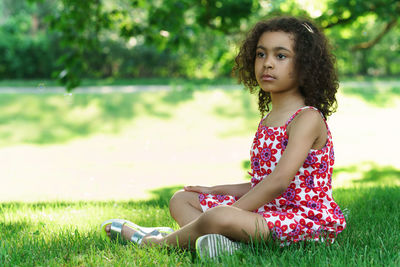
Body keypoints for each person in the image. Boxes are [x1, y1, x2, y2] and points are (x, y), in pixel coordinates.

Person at [101, 16, 346, 258]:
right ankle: (224, 244)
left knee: (219, 215)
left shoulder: (307, 118)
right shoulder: (270, 119)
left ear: (305, 64)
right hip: (267, 212)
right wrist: (214, 190)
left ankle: (156, 242)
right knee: (182, 199)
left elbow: (279, 182)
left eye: (280, 56)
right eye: (261, 54)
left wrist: (229, 211)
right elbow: (262, 182)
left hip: (302, 222)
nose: (267, 63)